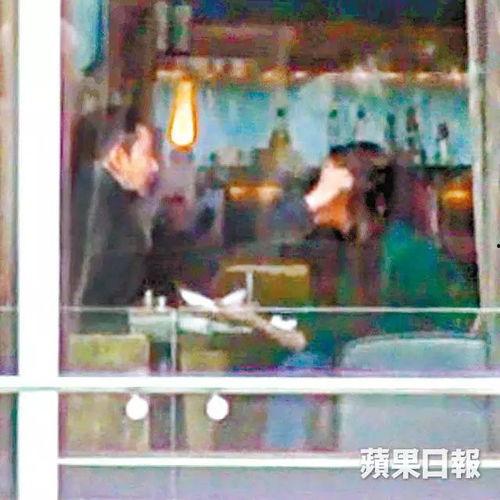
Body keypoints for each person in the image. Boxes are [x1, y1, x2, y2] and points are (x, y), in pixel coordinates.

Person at [264, 142, 478, 449]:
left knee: (300, 371)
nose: (315, 191)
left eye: (327, 180)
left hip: (404, 391)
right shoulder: (346, 253)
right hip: (363, 377)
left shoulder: (410, 256)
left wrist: (299, 333)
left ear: (355, 189)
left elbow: (442, 332)